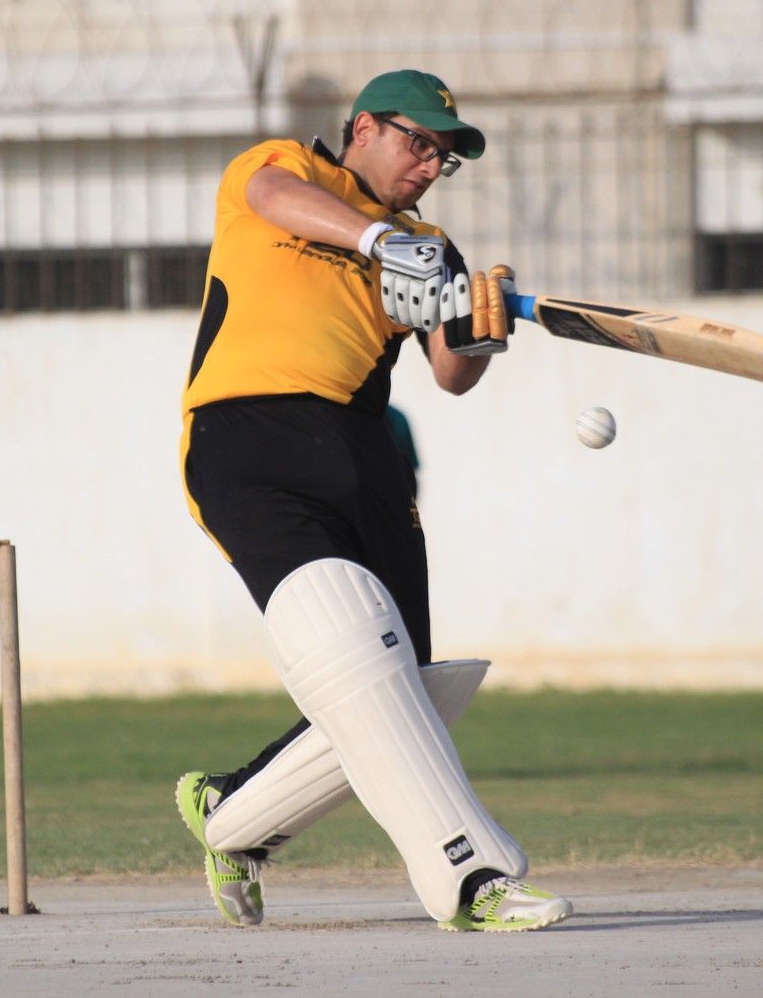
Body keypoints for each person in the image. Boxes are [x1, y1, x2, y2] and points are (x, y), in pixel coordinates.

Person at [174, 69, 572, 933]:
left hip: (362, 453)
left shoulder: (431, 244)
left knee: (404, 689)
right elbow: (272, 198)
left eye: (443, 157)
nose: (429, 166)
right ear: (362, 128)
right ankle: (472, 878)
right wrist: (376, 240)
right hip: (248, 436)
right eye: (417, 142)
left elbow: (450, 373)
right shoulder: (286, 169)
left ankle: (228, 816)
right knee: (355, 644)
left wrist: (476, 328)